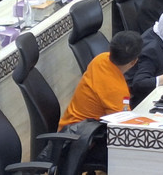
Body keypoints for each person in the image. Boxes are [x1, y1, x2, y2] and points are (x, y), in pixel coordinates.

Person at [58, 30, 143, 166]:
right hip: (82, 142)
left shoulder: (100, 59)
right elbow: (124, 130)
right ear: (133, 62)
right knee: (135, 155)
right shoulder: (116, 90)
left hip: (69, 129)